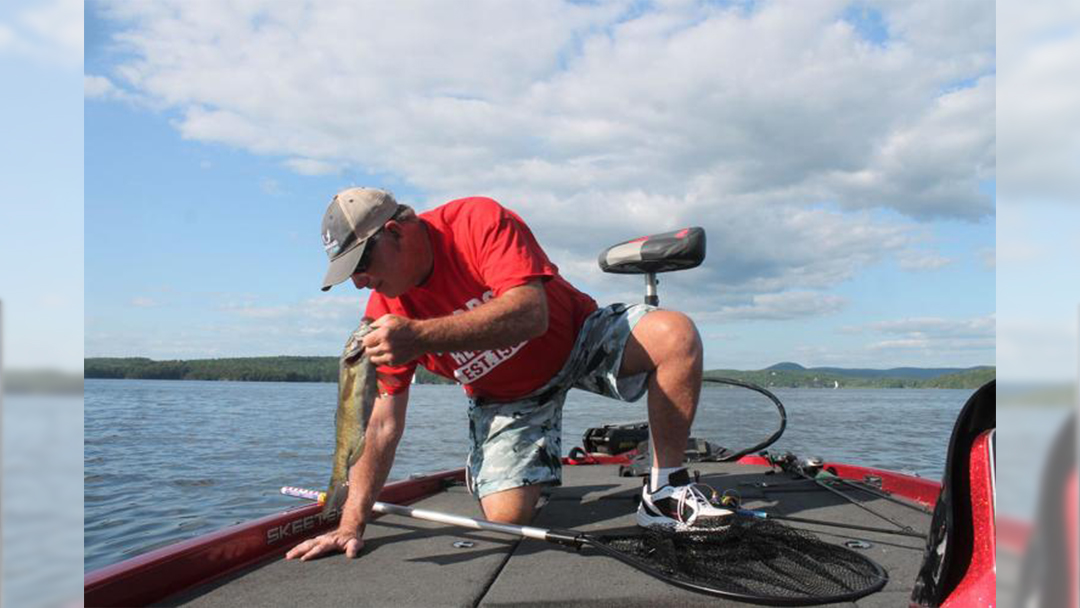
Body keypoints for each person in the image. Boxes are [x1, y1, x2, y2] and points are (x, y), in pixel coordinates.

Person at [286, 187, 729, 561]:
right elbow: (381, 424)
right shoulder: (384, 314)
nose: (360, 283)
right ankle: (528, 460)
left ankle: (665, 490)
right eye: (349, 276)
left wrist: (420, 336)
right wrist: (350, 523)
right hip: (506, 399)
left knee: (675, 334)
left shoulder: (475, 220)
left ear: (395, 233)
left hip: (576, 338)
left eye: (361, 265)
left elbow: (532, 314)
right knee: (505, 518)